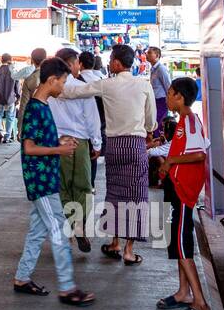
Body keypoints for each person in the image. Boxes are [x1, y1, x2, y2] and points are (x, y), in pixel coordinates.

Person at [60, 43, 156, 265]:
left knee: (115, 194)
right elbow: (150, 121)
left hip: (113, 146)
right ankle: (129, 251)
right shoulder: (143, 85)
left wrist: (51, 86)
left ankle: (115, 243)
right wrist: (146, 129)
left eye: (112, 58)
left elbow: (75, 91)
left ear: (116, 63)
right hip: (135, 146)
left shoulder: (107, 84)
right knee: (136, 196)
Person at [14, 58, 96, 306]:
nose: (63, 86)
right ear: (51, 80)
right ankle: (68, 287)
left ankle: (22, 277)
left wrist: (58, 144)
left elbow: (39, 143)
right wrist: (58, 151)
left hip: (46, 178)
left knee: (37, 231)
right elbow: (28, 148)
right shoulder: (36, 109)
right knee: (60, 229)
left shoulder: (43, 105)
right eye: (62, 81)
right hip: (41, 181)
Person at [158, 77, 215, 310]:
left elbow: (199, 153)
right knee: (178, 243)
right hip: (177, 188)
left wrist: (170, 162)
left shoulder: (190, 121)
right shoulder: (183, 122)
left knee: (183, 246)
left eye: (170, 94)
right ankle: (183, 292)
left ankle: (200, 303)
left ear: (179, 96)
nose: (168, 98)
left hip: (184, 192)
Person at [49, 49, 100, 252]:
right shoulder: (82, 87)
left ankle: (69, 229)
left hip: (58, 142)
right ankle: (79, 225)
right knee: (84, 187)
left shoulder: (50, 88)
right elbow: (91, 118)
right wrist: (96, 143)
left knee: (62, 187)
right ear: (74, 63)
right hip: (79, 142)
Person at [78, 50, 108, 184]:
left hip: (80, 127)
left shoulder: (76, 82)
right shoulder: (101, 81)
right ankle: (91, 184)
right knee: (93, 156)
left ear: (80, 64)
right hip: (98, 125)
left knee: (81, 158)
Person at [0, 53, 20, 144]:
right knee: (10, 117)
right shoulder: (14, 71)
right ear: (10, 60)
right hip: (11, 99)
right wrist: (18, 97)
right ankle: (7, 137)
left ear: (2, 60)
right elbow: (17, 87)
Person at [17, 48, 48, 115]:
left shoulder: (29, 78)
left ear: (32, 60)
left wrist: (20, 124)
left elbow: (24, 105)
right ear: (45, 59)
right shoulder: (53, 76)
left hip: (35, 118)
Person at [147, 47, 171, 128]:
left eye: (150, 53)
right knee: (155, 123)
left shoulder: (161, 69)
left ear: (157, 55)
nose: (147, 54)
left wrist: (170, 102)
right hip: (155, 100)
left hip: (162, 101)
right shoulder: (153, 69)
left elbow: (168, 86)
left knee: (159, 124)